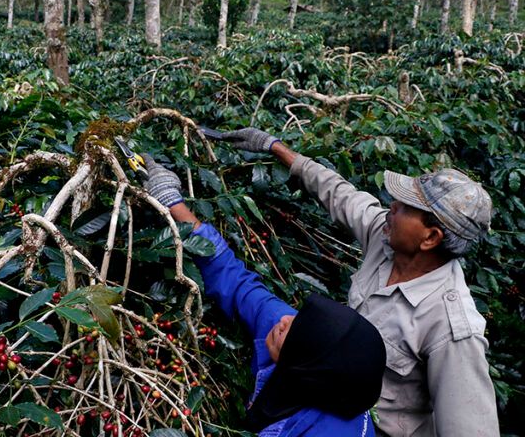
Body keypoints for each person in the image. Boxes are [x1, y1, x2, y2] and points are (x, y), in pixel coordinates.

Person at [216, 127, 500, 437]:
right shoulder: (388, 236)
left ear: (431, 238)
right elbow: (341, 195)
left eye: (406, 207)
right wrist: (276, 148)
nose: (391, 207)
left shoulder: (453, 329)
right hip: (327, 385)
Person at [141, 153, 387, 436]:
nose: (283, 321)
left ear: (305, 370)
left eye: (294, 334)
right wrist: (173, 203)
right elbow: (236, 280)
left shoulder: (328, 429)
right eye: (299, 318)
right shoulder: (292, 332)